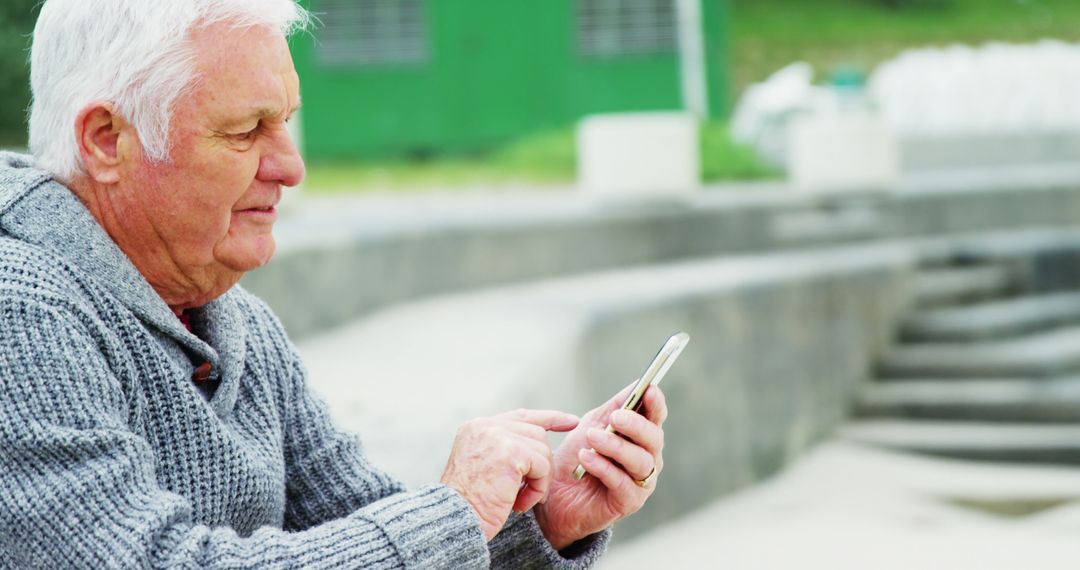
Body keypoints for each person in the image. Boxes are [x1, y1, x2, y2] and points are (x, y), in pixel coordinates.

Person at [0, 1, 668, 567]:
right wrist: (458, 508)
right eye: (245, 130)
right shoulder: (19, 310)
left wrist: (540, 520)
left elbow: (370, 534)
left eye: (284, 121)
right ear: (107, 140)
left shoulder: (236, 319)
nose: (291, 166)